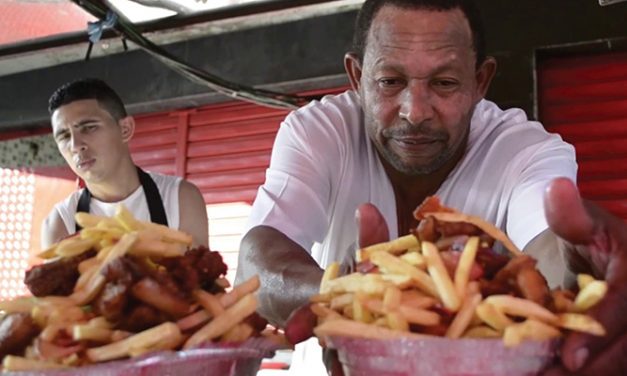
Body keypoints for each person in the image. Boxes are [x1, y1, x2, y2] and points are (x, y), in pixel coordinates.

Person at [236, 0, 627, 374]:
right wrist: (354, 292)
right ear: (357, 77)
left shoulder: (527, 151)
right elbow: (259, 266)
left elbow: (549, 252)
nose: (415, 111)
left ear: (480, 81)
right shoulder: (318, 132)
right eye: (390, 81)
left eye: (444, 83)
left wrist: (581, 276)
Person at [41, 78, 209, 248]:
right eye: (64, 136)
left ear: (125, 129)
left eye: (89, 127)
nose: (76, 146)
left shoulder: (179, 198)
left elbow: (201, 271)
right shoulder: (61, 222)